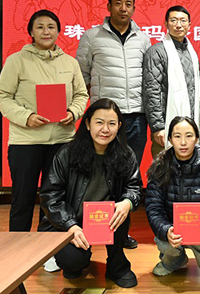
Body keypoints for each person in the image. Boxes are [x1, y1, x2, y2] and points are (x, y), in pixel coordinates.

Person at [0, 9, 89, 235]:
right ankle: (18, 245)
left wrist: (73, 112)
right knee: (23, 198)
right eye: (40, 27)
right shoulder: (17, 61)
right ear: (31, 32)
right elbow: (1, 96)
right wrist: (26, 117)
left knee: (54, 200)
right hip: (26, 142)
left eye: (51, 27)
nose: (46, 31)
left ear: (58, 31)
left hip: (62, 140)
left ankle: (50, 247)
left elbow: (81, 95)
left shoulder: (70, 63)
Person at [76, 0, 151, 249]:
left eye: (128, 4)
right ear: (108, 6)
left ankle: (121, 233)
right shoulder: (91, 37)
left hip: (136, 117)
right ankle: (95, 228)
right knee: (101, 173)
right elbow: (81, 76)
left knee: (128, 175)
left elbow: (148, 77)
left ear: (134, 8)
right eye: (118, 3)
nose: (123, 8)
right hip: (106, 120)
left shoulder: (143, 39)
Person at [39, 99, 143, 288]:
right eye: (99, 122)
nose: (105, 129)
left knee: (121, 209)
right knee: (72, 263)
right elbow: (50, 196)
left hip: (107, 221)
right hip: (71, 223)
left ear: (119, 126)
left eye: (112, 124)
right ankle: (76, 259)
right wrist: (70, 225)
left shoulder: (125, 154)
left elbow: (134, 187)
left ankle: (117, 266)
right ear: (88, 124)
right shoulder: (67, 154)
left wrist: (128, 202)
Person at [144, 116, 200, 282]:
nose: (183, 142)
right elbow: (154, 208)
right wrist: (166, 229)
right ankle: (173, 261)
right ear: (169, 139)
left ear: (196, 138)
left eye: (189, 136)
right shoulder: (159, 169)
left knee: (199, 234)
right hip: (172, 227)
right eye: (177, 136)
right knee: (165, 242)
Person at [145, 6, 200, 157]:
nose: (178, 25)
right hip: (166, 126)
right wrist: (158, 126)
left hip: (189, 125)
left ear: (189, 25)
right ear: (166, 23)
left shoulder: (191, 53)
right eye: (174, 20)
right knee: (164, 167)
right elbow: (152, 91)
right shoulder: (157, 51)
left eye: (183, 21)